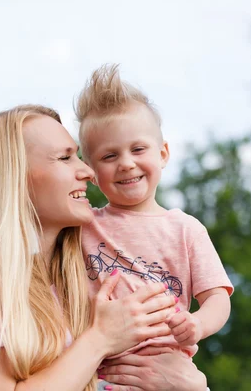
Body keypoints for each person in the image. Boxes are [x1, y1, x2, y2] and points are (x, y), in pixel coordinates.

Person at [0, 104, 204, 391]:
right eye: (65, 158)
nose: (87, 171)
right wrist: (100, 338)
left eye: (79, 157)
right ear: (13, 177)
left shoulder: (89, 273)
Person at [75, 64, 233, 390]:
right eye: (109, 156)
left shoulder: (185, 229)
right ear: (91, 171)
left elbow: (218, 297)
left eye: (137, 149)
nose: (126, 163)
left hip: (166, 369)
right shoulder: (83, 225)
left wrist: (197, 324)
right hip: (99, 373)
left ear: (163, 153)